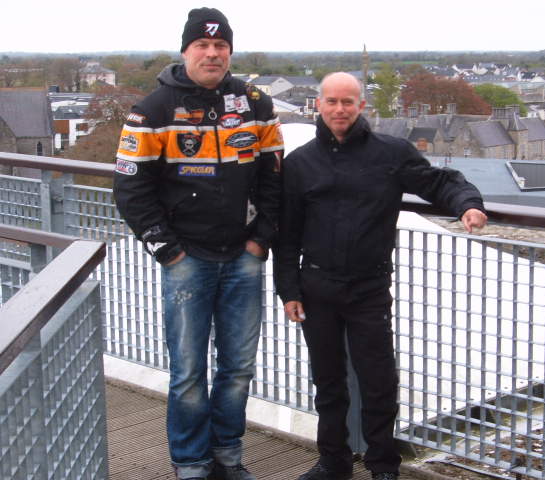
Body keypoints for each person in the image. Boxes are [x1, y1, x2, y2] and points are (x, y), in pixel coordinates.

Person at [275, 72, 487, 480]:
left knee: (378, 382)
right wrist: (288, 290)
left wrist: (467, 204)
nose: (340, 109)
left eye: (348, 102)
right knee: (328, 383)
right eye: (332, 101)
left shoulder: (390, 153)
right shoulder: (300, 164)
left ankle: (383, 465)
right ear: (318, 104)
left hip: (369, 287)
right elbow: (287, 235)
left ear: (361, 106)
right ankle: (333, 463)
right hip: (316, 287)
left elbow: (438, 182)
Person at [113, 8, 283, 480]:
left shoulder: (255, 103)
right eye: (202, 46)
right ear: (185, 51)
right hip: (187, 259)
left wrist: (261, 240)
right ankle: (191, 463)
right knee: (188, 373)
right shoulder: (152, 109)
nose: (212, 54)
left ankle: (228, 457)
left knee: (238, 369)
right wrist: (167, 251)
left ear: (230, 51)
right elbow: (130, 188)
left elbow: (275, 179)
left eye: (220, 46)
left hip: (244, 257)